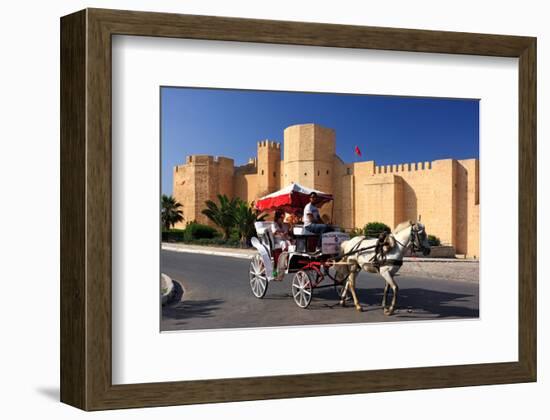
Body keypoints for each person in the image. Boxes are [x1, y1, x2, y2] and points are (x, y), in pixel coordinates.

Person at [271, 210, 293, 280]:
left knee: (290, 244)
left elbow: (288, 232)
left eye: (283, 218)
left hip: (284, 239)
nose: (282, 219)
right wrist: (281, 233)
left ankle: (289, 259)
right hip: (277, 240)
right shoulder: (273, 224)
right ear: (277, 218)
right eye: (281, 218)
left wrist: (287, 231)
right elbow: (274, 233)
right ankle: (274, 274)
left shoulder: (285, 225)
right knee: (284, 243)